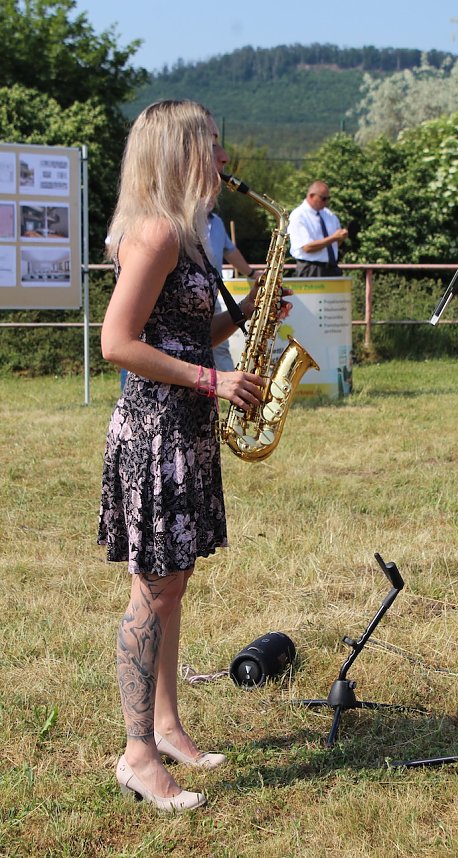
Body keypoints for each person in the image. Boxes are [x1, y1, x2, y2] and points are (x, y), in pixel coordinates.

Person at [97, 99, 270, 813]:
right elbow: (118, 342)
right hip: (157, 431)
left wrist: (250, 312)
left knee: (173, 584)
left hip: (185, 428)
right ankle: (138, 755)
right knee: (152, 589)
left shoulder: (189, 236)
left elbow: (180, 333)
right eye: (211, 145)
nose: (222, 158)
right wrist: (215, 378)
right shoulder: (157, 233)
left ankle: (167, 728)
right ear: (177, 151)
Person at [206, 208, 259, 371]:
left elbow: (230, 250)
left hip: (211, 294)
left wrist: (252, 273)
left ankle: (231, 386)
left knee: (220, 346)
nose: (211, 197)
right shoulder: (182, 220)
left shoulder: (217, 222)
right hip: (188, 296)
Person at [287, 181, 348, 277]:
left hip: (332, 268)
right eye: (323, 198)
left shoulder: (329, 215)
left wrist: (340, 237)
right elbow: (307, 247)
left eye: (328, 198)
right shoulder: (298, 215)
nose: (326, 202)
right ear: (311, 196)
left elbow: (335, 245)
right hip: (310, 269)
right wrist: (334, 238)